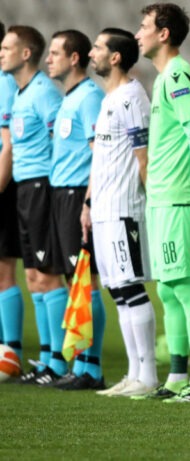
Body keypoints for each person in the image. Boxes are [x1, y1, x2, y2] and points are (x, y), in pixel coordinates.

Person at [133, 2, 190, 403]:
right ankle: (178, 376)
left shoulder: (178, 75)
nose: (137, 34)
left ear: (163, 34)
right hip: (162, 199)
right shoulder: (165, 77)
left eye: (144, 26)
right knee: (167, 289)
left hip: (180, 197)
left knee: (186, 287)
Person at [85, 27, 158, 397]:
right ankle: (134, 373)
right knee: (117, 290)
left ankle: (148, 376)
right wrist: (88, 203)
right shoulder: (109, 98)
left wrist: (152, 203)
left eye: (98, 47)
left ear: (115, 57)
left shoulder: (132, 97)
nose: (92, 53)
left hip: (125, 208)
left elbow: (143, 157)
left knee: (131, 287)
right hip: (103, 209)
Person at [0, 25, 63, 384]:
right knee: (32, 276)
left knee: (46, 273)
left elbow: (60, 142)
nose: (1, 52)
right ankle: (46, 359)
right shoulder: (21, 93)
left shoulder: (42, 92)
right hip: (25, 188)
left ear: (25, 53)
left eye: (7, 47)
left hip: (41, 187)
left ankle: (57, 360)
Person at [45, 29, 107, 389]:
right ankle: (81, 363)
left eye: (55, 53)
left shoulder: (89, 97)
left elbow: (99, 153)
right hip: (60, 194)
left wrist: (88, 200)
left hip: (77, 194)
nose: (48, 59)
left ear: (74, 58)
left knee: (86, 277)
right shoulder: (70, 98)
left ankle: (91, 368)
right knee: (74, 279)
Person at [0, 21, 24, 364]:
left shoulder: (5, 84)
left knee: (4, 268)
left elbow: (9, 144)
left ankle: (11, 350)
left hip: (5, 184)